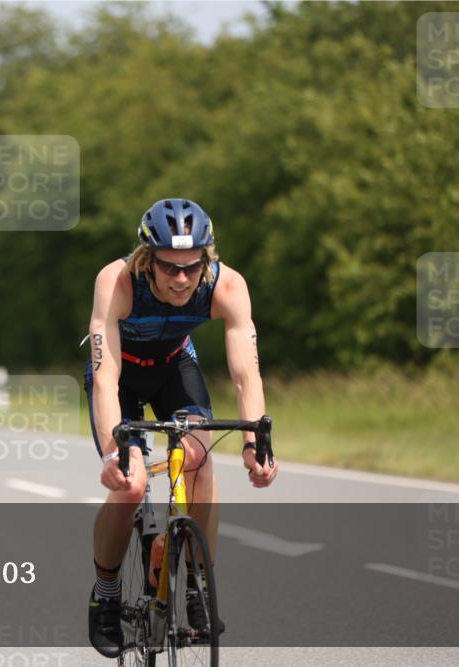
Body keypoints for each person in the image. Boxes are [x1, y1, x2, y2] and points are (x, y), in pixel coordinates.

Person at [85, 198, 279, 657]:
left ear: (206, 260)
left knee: (199, 460)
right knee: (131, 485)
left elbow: (245, 374)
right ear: (147, 260)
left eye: (191, 268)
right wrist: (117, 453)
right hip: (120, 374)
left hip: (174, 366)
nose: (180, 279)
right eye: (169, 268)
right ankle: (106, 595)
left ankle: (196, 583)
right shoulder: (117, 282)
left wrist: (256, 443)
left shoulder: (226, 285)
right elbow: (106, 379)